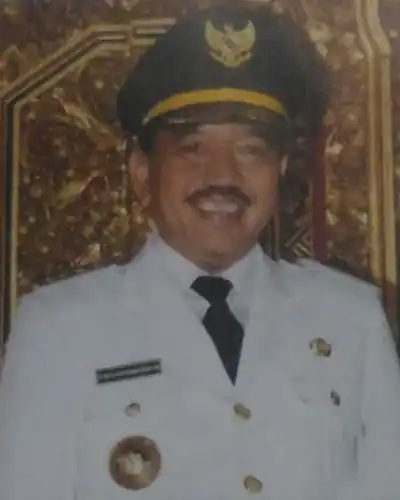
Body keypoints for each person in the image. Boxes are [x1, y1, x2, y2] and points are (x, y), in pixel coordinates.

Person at [0, 5, 399, 500]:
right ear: (142, 173)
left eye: (251, 149)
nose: (223, 175)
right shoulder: (59, 329)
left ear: (280, 170)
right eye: (192, 147)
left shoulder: (351, 319)